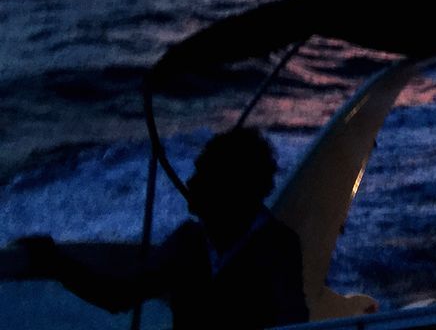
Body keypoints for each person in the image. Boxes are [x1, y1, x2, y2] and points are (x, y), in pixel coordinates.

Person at [17, 126, 308, 330]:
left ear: (232, 188)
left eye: (205, 175)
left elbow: (293, 324)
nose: (192, 183)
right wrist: (55, 263)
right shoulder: (188, 242)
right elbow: (117, 295)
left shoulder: (277, 247)